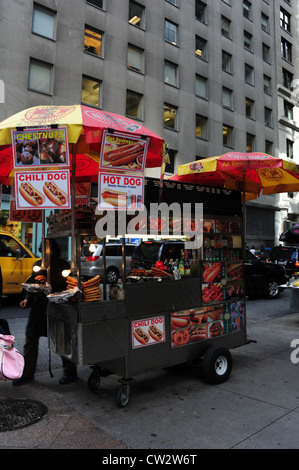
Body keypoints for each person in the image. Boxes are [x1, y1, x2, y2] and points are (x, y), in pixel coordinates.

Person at [13, 239, 78, 386]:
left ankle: (70, 372)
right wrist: (27, 299)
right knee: (30, 340)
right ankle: (27, 373)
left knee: (61, 340)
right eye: (44, 248)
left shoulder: (63, 265)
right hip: (38, 308)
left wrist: (48, 280)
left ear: (54, 249)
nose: (46, 251)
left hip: (57, 307)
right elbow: (33, 284)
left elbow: (65, 284)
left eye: (49, 248)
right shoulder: (37, 265)